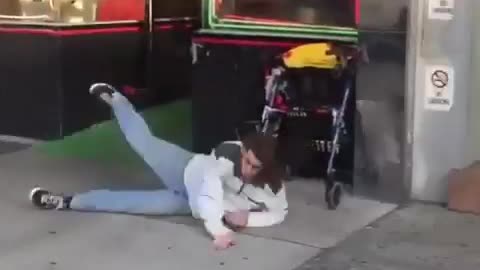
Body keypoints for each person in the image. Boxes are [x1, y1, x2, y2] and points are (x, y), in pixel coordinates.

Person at [29, 83, 288, 250]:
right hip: (186, 169)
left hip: (191, 203)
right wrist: (218, 230)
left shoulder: (273, 186)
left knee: (129, 204)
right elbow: (210, 187)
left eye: (253, 166)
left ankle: (66, 202)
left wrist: (248, 218)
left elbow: (279, 213)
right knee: (144, 142)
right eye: (245, 159)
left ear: (266, 168)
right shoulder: (228, 152)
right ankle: (117, 100)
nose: (245, 167)